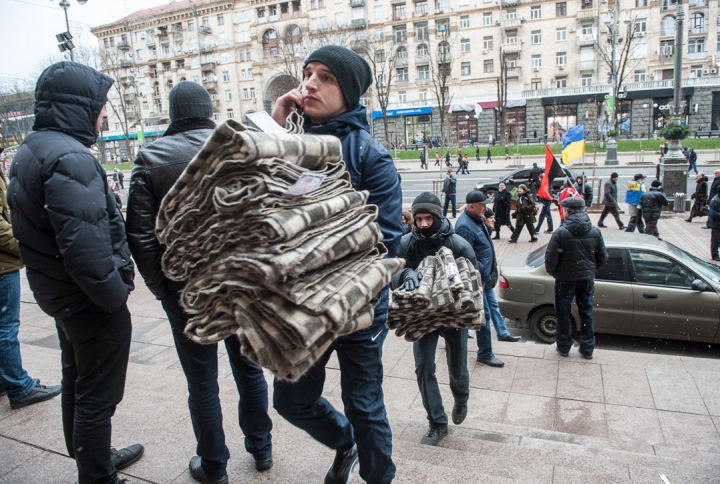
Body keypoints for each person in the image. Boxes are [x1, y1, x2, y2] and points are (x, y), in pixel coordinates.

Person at [126, 81, 274, 483]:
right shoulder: (240, 148)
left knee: (202, 382)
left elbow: (140, 238)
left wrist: (165, 291)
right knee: (250, 372)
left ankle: (213, 467)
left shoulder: (152, 158)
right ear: (209, 110)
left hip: (187, 292)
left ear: (174, 114)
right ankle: (261, 449)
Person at [270, 45, 402, 484]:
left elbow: (383, 242)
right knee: (290, 401)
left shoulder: (369, 156)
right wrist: (275, 126)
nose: (309, 83)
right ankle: (344, 443)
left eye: (325, 77)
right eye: (308, 73)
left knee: (364, 405)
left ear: (349, 92)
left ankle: (378, 477)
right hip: (304, 308)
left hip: (359, 307)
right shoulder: (291, 142)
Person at [7, 61, 143, 484]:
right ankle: (98, 474)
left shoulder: (35, 147)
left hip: (62, 296)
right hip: (88, 303)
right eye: (100, 104)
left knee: (78, 380)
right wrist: (116, 295)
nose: (104, 113)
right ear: (79, 104)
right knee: (97, 395)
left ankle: (93, 458)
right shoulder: (69, 157)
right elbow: (86, 247)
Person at [392, 192, 475, 447]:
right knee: (424, 367)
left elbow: (475, 278)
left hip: (452, 316)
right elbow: (393, 272)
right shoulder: (406, 243)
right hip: (422, 317)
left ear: (438, 217)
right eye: (419, 219)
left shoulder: (458, 243)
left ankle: (461, 398)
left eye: (429, 218)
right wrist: (405, 273)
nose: (424, 224)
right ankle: (437, 423)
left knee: (457, 367)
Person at [0, 166, 62, 410]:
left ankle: (6, 380)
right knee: (6, 326)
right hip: (3, 265)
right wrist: (26, 246)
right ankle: (19, 386)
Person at [456, 193, 522, 348]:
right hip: (478, 279)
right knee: (483, 315)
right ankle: (485, 352)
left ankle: (502, 333)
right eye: (482, 205)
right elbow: (464, 258)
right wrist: (479, 272)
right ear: (472, 206)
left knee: (492, 307)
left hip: (485, 278)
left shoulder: (477, 220)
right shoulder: (465, 226)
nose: (486, 208)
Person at [545, 197, 608, 360]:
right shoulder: (595, 231)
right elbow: (603, 258)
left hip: (565, 279)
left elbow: (550, 260)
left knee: (563, 312)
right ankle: (587, 348)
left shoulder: (561, 232)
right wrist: (589, 270)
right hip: (586, 279)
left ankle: (564, 346)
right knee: (586, 312)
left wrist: (556, 272)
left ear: (567, 211)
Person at [708, 191, 720, 261]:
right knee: (715, 239)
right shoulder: (715, 200)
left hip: (717, 223)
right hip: (716, 224)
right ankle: (714, 254)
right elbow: (713, 213)